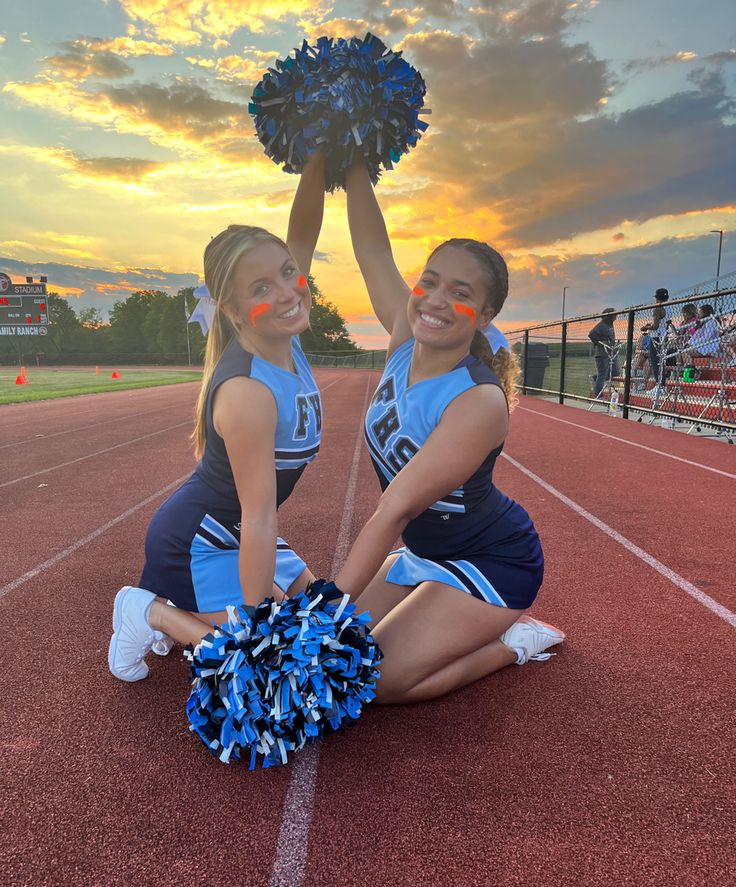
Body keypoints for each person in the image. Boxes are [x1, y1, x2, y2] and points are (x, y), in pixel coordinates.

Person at [322, 160, 563, 704]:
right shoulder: (405, 340)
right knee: (335, 652)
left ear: (485, 313)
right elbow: (372, 253)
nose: (434, 299)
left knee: (373, 682)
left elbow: (395, 510)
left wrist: (328, 600)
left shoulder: (477, 401)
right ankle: (433, 605)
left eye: (458, 292)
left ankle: (512, 643)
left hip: (491, 562)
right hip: (425, 554)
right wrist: (356, 158)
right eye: (428, 282)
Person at [107, 156, 328, 681]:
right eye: (260, 288)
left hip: (239, 530)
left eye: (288, 273)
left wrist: (320, 156)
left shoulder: (282, 333)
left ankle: (194, 621)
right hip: (198, 543)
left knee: (325, 623)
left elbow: (304, 233)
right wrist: (259, 628)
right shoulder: (247, 391)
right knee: (271, 665)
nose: (287, 291)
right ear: (232, 310)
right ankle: (147, 613)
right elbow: (257, 516)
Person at [588, 308, 617, 397]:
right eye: (614, 314)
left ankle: (595, 378)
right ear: (609, 316)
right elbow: (591, 334)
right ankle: (598, 396)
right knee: (602, 374)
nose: (616, 316)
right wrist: (601, 343)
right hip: (602, 354)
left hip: (611, 353)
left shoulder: (610, 324)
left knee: (615, 373)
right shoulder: (602, 325)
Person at [649, 287, 672, 388]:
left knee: (655, 361)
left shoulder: (657, 308)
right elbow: (667, 323)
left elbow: (655, 326)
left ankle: (659, 385)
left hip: (656, 337)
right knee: (661, 361)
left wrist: (646, 327)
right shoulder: (669, 308)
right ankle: (661, 385)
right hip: (664, 335)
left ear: (657, 298)